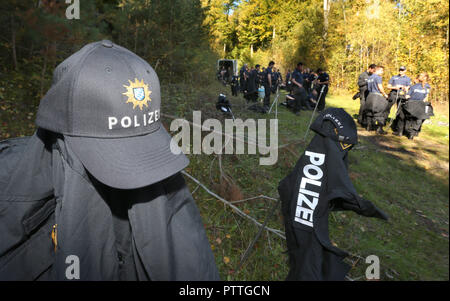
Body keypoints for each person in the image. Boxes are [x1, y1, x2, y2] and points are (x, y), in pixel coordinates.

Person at [391, 72, 432, 139]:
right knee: (418, 119)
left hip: (411, 104)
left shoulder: (414, 87)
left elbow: (407, 96)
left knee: (401, 114)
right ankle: (413, 133)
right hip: (420, 105)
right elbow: (425, 97)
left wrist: (404, 93)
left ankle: (400, 132)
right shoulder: (427, 87)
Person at [365, 65, 389, 134]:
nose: (382, 72)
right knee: (380, 113)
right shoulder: (378, 77)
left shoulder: (369, 78)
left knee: (369, 112)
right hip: (377, 96)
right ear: (377, 70)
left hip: (370, 96)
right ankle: (379, 129)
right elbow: (380, 87)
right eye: (381, 70)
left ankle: (368, 127)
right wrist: (385, 94)